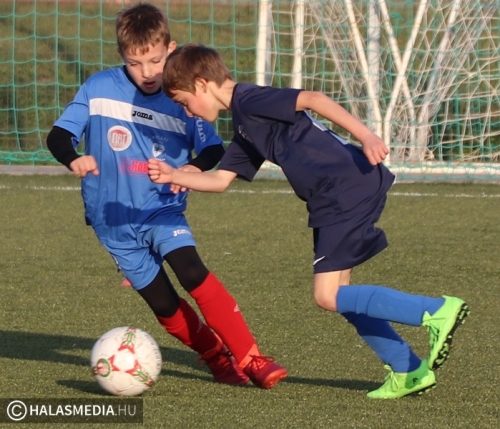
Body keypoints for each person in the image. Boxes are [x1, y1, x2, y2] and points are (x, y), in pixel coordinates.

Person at [148, 43, 471, 399]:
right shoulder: (244, 123)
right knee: (342, 295)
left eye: (184, 102)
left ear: (201, 84)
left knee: (327, 295)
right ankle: (407, 369)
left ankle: (436, 311)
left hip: (341, 190)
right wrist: (175, 174)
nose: (187, 111)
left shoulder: (250, 100)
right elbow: (221, 180)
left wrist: (366, 135)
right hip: (333, 196)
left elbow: (313, 99)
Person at [46, 4, 287, 390]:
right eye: (135, 63)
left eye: (155, 61)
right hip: (111, 220)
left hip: (162, 209)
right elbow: (59, 135)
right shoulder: (98, 88)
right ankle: (215, 357)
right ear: (122, 55)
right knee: (163, 303)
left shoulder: (181, 97)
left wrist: (193, 167)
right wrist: (73, 158)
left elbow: (212, 148)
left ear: (170, 50)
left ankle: (250, 357)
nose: (146, 72)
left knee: (191, 270)